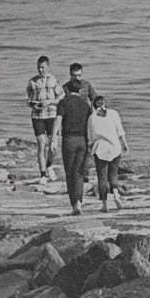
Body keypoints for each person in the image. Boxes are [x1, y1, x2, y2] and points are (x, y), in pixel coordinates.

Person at [57, 79, 93, 215]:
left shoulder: (63, 103)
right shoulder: (86, 105)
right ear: (80, 90)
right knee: (79, 173)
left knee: (69, 173)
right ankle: (79, 202)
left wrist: (54, 138)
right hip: (83, 140)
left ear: (67, 90)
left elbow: (58, 120)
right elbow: (90, 125)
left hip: (69, 139)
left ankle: (73, 204)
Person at [87, 95, 128, 212]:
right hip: (114, 146)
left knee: (102, 177)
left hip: (100, 148)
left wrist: (90, 150)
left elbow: (90, 137)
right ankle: (116, 195)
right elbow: (120, 131)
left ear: (94, 106)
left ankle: (104, 205)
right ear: (105, 103)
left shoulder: (92, 117)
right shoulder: (114, 113)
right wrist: (125, 144)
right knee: (113, 174)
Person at [27, 55, 63, 180]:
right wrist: (33, 105)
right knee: (42, 144)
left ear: (47, 67)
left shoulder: (53, 80)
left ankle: (49, 165)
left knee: (53, 145)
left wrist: (50, 102)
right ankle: (42, 174)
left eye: (42, 67)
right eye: (39, 68)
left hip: (52, 115)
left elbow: (61, 98)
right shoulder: (32, 82)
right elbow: (27, 99)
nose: (40, 70)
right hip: (37, 116)